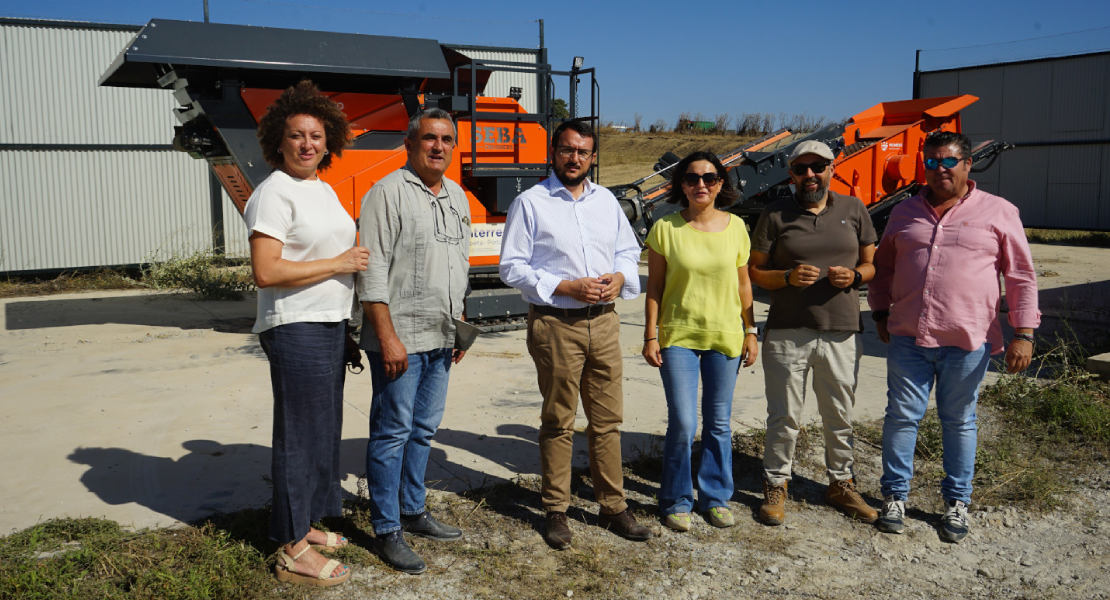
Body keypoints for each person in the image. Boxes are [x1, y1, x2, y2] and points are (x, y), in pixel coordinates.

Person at [869, 131, 1039, 542]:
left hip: (969, 339)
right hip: (909, 336)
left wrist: (1024, 332)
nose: (940, 169)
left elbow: (1020, 275)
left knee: (960, 421)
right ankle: (895, 496)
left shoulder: (999, 212)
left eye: (948, 161)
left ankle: (957, 502)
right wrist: (879, 310)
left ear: (967, 164)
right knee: (900, 417)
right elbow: (884, 266)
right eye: (932, 162)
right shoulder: (904, 212)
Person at [499, 120, 652, 549]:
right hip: (556, 323)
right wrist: (565, 286)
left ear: (593, 157)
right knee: (559, 420)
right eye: (567, 150)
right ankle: (556, 510)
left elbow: (627, 250)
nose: (574, 158)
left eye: (583, 152)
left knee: (607, 420)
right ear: (553, 152)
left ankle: (613, 506)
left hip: (604, 321)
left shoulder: (606, 201)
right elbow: (511, 266)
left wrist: (621, 278)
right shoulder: (530, 203)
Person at [244, 80, 367, 587]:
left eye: (316, 135)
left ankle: (306, 523)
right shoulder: (272, 193)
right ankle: (292, 548)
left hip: (329, 322)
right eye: (297, 135)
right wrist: (339, 262)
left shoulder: (321, 188)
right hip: (294, 326)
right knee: (298, 437)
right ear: (279, 140)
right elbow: (266, 271)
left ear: (328, 140)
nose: (307, 144)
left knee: (321, 431)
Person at [357, 108, 471, 574]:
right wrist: (386, 337)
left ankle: (412, 508)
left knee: (423, 430)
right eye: (429, 138)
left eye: (446, 139)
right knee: (391, 433)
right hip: (400, 338)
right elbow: (373, 271)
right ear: (411, 143)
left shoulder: (458, 197)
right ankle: (387, 529)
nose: (438, 146)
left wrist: (460, 321)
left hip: (443, 337)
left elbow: (457, 265)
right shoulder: (386, 194)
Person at [748, 140, 879, 527]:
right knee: (784, 415)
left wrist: (855, 276)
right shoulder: (774, 214)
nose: (810, 175)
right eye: (801, 169)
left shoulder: (854, 209)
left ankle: (841, 483)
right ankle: (776, 485)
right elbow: (754, 272)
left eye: (817, 167)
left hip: (841, 331)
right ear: (791, 174)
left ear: (831, 169)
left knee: (839, 414)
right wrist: (786, 277)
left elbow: (872, 264)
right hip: (788, 331)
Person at [641, 151, 759, 532]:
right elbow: (655, 287)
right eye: (692, 179)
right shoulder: (666, 229)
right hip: (678, 337)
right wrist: (650, 335)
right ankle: (676, 499)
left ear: (721, 183)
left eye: (709, 177)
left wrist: (751, 330)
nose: (701, 185)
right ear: (681, 186)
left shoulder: (738, 227)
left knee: (719, 423)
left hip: (726, 337)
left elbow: (744, 286)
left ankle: (716, 497)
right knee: (683, 421)